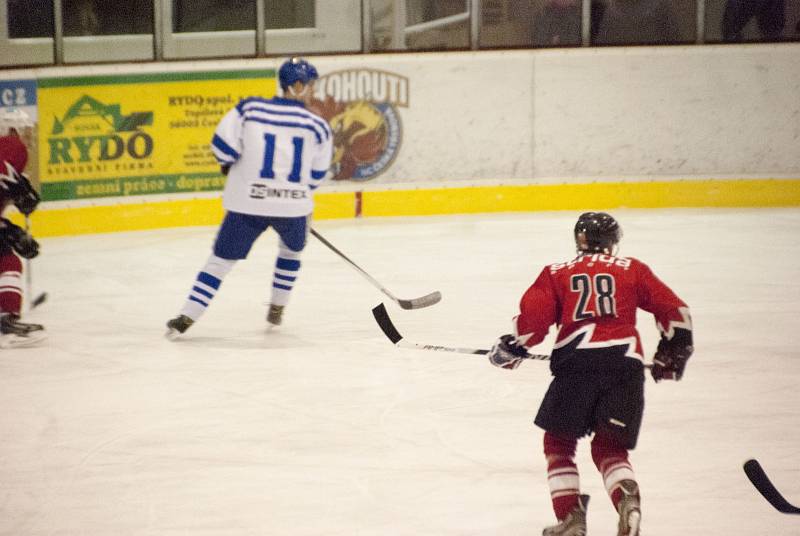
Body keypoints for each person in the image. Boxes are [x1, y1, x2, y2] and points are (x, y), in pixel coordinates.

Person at [487, 212, 693, 536]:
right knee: (610, 449)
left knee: (559, 443)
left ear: (578, 241)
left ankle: (571, 518)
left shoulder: (556, 273)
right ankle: (628, 500)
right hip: (626, 369)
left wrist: (513, 346)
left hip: (577, 370)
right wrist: (674, 349)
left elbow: (533, 323)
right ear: (612, 242)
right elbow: (675, 311)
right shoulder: (632, 269)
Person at [166, 57, 333, 338]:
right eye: (311, 86)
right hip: (293, 208)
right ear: (297, 86)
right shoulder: (317, 125)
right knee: (291, 251)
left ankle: (187, 315)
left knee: (219, 261)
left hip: (246, 204)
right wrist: (290, 199)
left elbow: (222, 148)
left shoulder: (249, 109)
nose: (313, 91)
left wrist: (232, 164)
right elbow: (316, 177)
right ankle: (277, 309)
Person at [0, 109, 45, 348]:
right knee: (8, 261)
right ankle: (7, 321)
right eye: (23, 130)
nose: (28, 136)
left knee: (7, 259)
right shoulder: (11, 146)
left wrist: (9, 229)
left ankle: (6, 317)